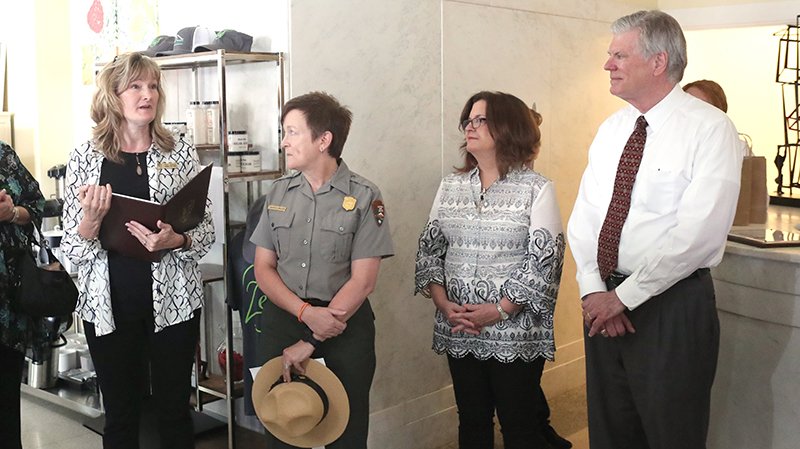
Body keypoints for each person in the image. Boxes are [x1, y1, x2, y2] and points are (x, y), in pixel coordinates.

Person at [567, 10, 742, 449]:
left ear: (659, 61)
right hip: (603, 306)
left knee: (671, 434)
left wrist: (621, 299)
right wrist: (593, 290)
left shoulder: (710, 129)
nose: (608, 64)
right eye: (611, 55)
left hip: (671, 308)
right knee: (610, 435)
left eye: (619, 55)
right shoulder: (611, 130)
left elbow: (696, 236)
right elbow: (586, 216)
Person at [60, 52, 215, 449]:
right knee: (121, 419)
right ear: (114, 95)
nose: (147, 94)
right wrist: (90, 223)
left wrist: (176, 240)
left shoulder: (178, 151)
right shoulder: (86, 157)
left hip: (174, 305)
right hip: (109, 308)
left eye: (153, 86)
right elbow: (72, 254)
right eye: (136, 86)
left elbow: (207, 230)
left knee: (175, 414)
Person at [414, 91, 565, 449]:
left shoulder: (536, 189)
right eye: (469, 119)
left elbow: (546, 260)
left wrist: (498, 310)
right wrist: (442, 302)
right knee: (472, 420)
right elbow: (430, 248)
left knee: (519, 425)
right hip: (460, 326)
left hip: (513, 332)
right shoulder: (450, 186)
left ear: (508, 127)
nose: (471, 125)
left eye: (481, 119)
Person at [250, 91, 394, 449]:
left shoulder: (364, 196)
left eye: (292, 132)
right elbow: (263, 268)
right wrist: (302, 312)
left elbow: (363, 281)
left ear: (323, 139)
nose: (284, 142)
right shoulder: (278, 193)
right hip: (283, 321)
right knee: (284, 425)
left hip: (343, 327)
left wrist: (314, 336)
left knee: (344, 431)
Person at [0, 141, 46, 449]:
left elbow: (37, 204)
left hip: (9, 309)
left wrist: (12, 212)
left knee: (6, 406)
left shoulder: (3, 155)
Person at [684, 79, 754, 157]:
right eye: (687, 104)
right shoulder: (671, 142)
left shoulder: (738, 149)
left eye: (700, 106)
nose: (690, 112)